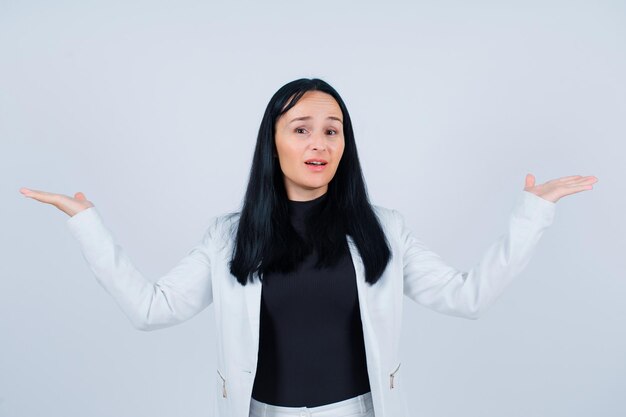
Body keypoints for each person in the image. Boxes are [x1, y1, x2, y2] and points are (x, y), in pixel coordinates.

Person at [19, 78, 598, 417]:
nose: (319, 142)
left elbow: (467, 297)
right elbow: (150, 310)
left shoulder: (384, 229)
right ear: (273, 142)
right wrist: (86, 223)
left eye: (332, 128)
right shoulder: (230, 235)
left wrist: (534, 213)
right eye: (301, 128)